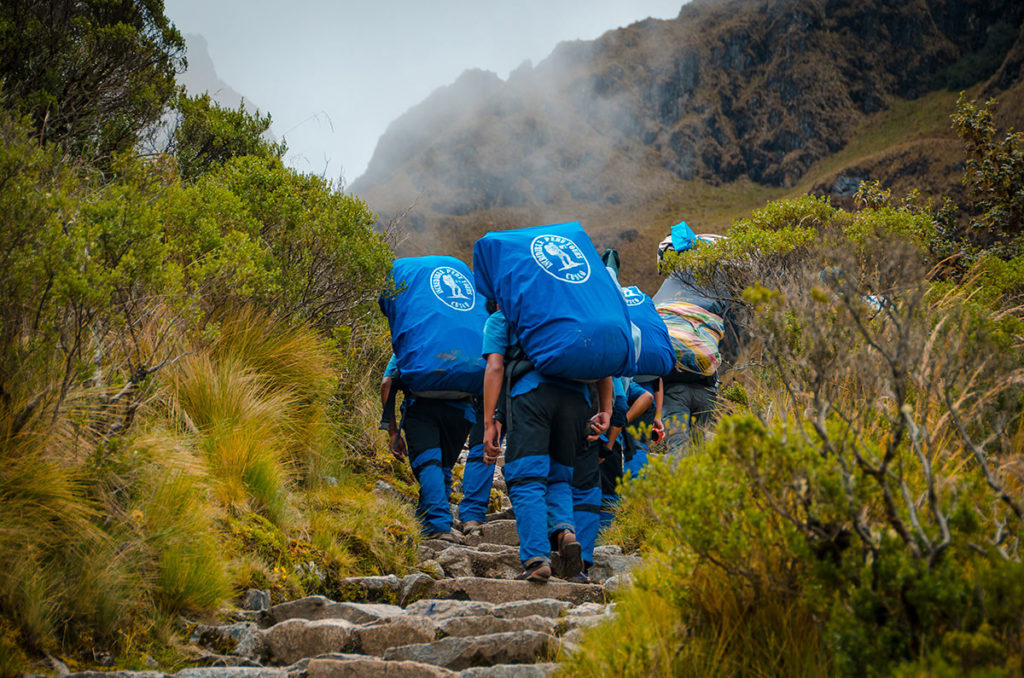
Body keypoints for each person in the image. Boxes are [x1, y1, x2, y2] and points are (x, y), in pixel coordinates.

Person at [481, 306, 614, 583]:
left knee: (527, 477)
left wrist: (490, 421)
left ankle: (536, 558)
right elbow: (605, 362)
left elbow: (495, 366)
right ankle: (566, 533)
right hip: (576, 399)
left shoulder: (505, 315)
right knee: (560, 477)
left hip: (531, 393)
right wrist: (606, 410)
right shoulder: (574, 311)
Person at [380, 354, 476, 542]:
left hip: (420, 407)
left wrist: (392, 431)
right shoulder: (468, 336)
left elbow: (387, 382)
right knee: (443, 468)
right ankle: (424, 521)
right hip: (461, 412)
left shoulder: (415, 336)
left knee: (428, 464)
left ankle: (438, 524)